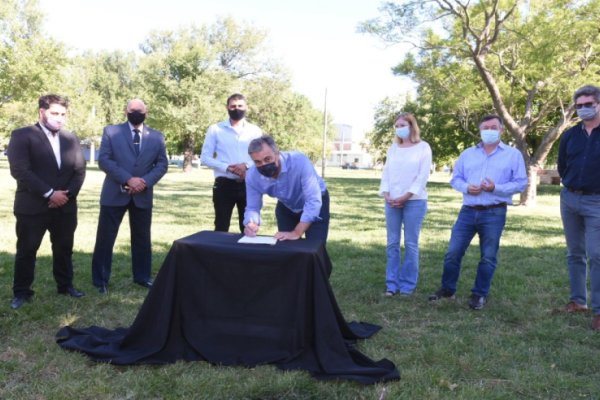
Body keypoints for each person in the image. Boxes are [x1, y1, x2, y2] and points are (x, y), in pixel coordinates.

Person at [429, 115, 527, 310]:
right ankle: (448, 290)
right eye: (485, 127)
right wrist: (466, 187)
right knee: (452, 253)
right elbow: (455, 179)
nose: (489, 130)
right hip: (467, 211)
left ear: (501, 130)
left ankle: (479, 294)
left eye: (493, 127)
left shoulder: (513, 155)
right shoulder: (467, 154)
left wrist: (495, 188)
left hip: (494, 213)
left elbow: (521, 183)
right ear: (480, 130)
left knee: (488, 256)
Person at [7, 94, 86, 309]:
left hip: (65, 206)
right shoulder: (23, 135)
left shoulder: (71, 138)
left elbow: (79, 172)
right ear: (42, 112)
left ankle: (65, 285)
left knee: (63, 248)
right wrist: (50, 193)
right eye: (54, 113)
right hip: (32, 206)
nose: (59, 118)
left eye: (63, 114)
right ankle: (22, 292)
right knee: (27, 250)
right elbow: (20, 170)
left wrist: (66, 195)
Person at [91, 99, 168, 294]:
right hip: (114, 193)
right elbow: (104, 160)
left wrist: (144, 182)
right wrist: (128, 179)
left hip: (142, 195)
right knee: (105, 239)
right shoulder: (111, 131)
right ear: (126, 112)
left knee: (142, 239)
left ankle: (142, 277)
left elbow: (161, 165)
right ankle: (100, 280)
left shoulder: (157, 137)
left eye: (139, 110)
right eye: (132, 110)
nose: (136, 113)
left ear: (146, 112)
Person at [557, 84, 600, 330]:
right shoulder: (570, 135)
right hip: (570, 198)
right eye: (579, 105)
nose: (583, 109)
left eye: (588, 104)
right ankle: (577, 301)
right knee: (574, 253)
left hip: (597, 201)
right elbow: (562, 166)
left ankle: (599, 310)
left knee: (596, 255)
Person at [379, 112, 432, 296]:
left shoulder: (423, 147)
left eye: (403, 125)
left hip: (414, 202)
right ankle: (391, 284)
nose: (399, 128)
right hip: (392, 202)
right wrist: (386, 194)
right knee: (392, 243)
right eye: (397, 126)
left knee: (411, 243)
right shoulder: (393, 148)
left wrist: (405, 196)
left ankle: (407, 284)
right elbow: (386, 173)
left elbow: (422, 176)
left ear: (412, 126)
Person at [243, 135, 329, 242]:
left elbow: (313, 201)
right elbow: (252, 207)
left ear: (277, 153)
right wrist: (251, 223)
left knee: (315, 247)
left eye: (267, 159)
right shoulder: (252, 176)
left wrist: (296, 232)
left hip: (316, 201)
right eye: (258, 162)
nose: (263, 164)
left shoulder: (299, 161)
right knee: (287, 247)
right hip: (286, 205)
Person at [200, 93, 262, 232]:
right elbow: (205, 158)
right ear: (227, 107)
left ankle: (247, 254)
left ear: (246, 107)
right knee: (221, 226)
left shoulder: (255, 131)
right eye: (233, 106)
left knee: (249, 226)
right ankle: (218, 254)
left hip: (249, 184)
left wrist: (245, 166)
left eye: (240, 106)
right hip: (224, 184)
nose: (236, 109)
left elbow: (261, 156)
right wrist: (228, 168)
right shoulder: (215, 129)